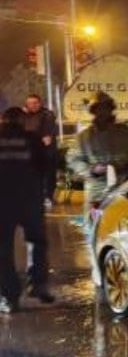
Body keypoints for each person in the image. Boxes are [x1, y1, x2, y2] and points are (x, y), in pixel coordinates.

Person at [0, 107, 53, 313]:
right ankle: (38, 285)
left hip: (3, 202)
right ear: (22, 120)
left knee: (3, 250)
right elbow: (44, 167)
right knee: (37, 242)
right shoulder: (32, 139)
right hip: (29, 200)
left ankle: (10, 296)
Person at [66, 92, 128, 230]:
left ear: (111, 109)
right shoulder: (84, 137)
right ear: (93, 112)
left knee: (122, 226)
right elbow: (73, 159)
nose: (102, 113)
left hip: (123, 187)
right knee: (95, 226)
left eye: (105, 108)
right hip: (97, 191)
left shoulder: (125, 132)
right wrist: (91, 170)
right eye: (98, 109)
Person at [21, 93, 59, 207]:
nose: (32, 105)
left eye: (34, 103)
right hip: (30, 153)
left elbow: (46, 137)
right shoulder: (24, 116)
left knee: (48, 176)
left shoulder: (47, 114)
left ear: (40, 103)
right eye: (29, 103)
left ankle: (48, 197)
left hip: (46, 152)